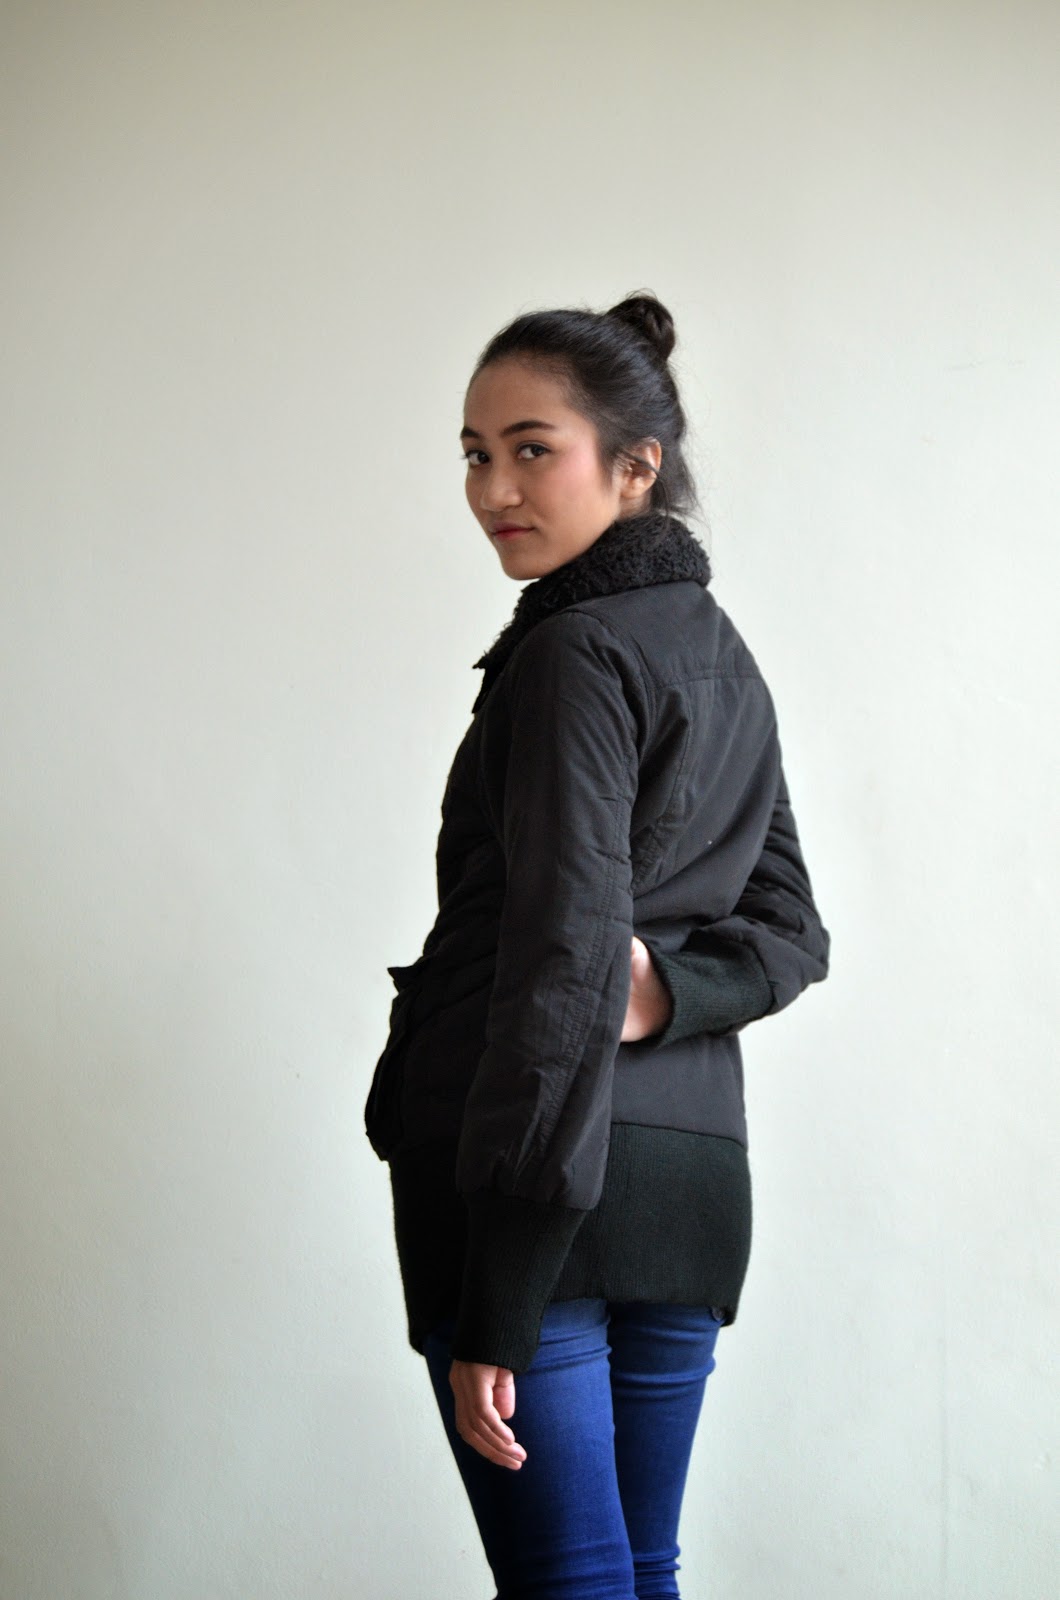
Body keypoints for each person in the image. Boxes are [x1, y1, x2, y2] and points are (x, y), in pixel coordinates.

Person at [364, 291, 830, 1598]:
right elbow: (789, 933)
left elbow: (564, 964)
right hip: (687, 1183)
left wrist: (502, 1287)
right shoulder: (720, 656)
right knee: (641, 1570)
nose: (493, 490)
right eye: (474, 453)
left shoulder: (571, 651)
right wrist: (671, 991)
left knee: (570, 1584)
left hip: (540, 1197)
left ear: (635, 465)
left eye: (532, 449)